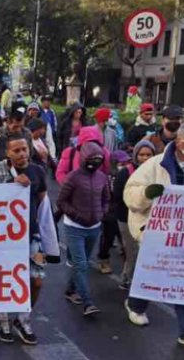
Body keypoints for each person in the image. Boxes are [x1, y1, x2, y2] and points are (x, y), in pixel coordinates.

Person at [0, 134, 58, 345]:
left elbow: (43, 202)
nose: (22, 154)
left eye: (24, 149)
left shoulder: (37, 170)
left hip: (31, 235)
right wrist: (11, 184)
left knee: (36, 282)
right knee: (4, 279)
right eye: (16, 151)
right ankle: (3, 321)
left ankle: (22, 318)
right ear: (7, 153)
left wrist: (48, 237)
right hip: (3, 238)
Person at [123, 125, 184, 342]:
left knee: (180, 279)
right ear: (178, 142)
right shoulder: (155, 164)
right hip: (154, 231)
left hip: (181, 235)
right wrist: (147, 194)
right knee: (148, 272)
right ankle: (135, 304)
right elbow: (130, 194)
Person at [58, 141, 109, 316]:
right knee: (80, 264)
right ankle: (88, 303)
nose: (95, 161)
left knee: (83, 263)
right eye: (92, 158)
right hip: (74, 228)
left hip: (94, 227)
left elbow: (106, 199)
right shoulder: (73, 177)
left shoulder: (102, 178)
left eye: (98, 158)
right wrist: (76, 215)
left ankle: (70, 290)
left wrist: (102, 214)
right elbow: (62, 201)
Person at [112, 140, 155, 290]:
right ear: (136, 155)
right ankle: (126, 278)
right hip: (127, 219)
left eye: (149, 155)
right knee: (132, 251)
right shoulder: (126, 172)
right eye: (142, 154)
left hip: (150, 219)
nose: (145, 158)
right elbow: (117, 195)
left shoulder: (158, 172)